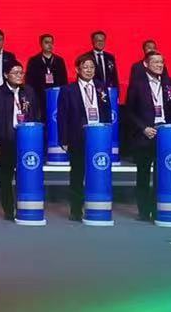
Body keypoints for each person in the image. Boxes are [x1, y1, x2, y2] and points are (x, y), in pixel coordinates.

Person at [0, 61, 41, 222]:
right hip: (6, 140)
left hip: (27, 141)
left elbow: (36, 114)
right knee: (6, 178)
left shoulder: (28, 91)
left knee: (26, 175)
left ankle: (24, 207)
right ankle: (9, 210)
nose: (19, 76)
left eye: (21, 73)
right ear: (5, 75)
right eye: (15, 73)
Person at [124, 52, 171, 222]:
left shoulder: (170, 83)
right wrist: (143, 128)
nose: (159, 65)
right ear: (146, 64)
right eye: (155, 62)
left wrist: (170, 127)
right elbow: (129, 112)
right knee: (143, 174)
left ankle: (157, 209)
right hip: (146, 133)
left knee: (161, 175)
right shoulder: (137, 85)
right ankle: (143, 211)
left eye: (161, 62)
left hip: (165, 134)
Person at [60, 55, 110, 221]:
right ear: (77, 69)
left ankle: (97, 207)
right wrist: (64, 139)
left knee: (98, 171)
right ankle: (76, 210)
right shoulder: (68, 90)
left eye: (92, 67)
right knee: (77, 174)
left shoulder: (101, 87)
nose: (89, 70)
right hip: (78, 137)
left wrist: (107, 133)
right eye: (85, 67)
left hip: (99, 137)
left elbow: (107, 113)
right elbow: (62, 117)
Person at [80, 32, 119, 96]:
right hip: (92, 92)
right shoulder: (86, 57)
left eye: (102, 40)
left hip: (108, 92)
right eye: (98, 40)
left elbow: (114, 77)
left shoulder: (110, 57)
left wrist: (116, 93)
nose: (100, 43)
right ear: (93, 41)